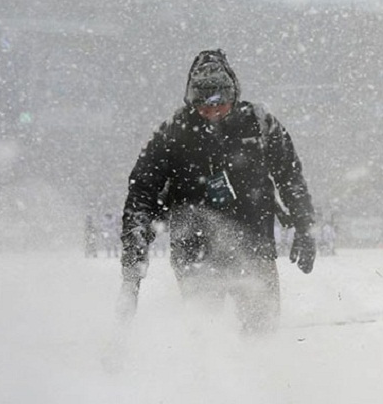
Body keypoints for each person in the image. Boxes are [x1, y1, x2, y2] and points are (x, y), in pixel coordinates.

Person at [117, 49, 316, 333]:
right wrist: (134, 256)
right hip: (194, 253)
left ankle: (262, 373)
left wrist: (305, 226)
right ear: (191, 101)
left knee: (262, 331)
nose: (212, 112)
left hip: (254, 247)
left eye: (220, 103)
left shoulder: (260, 124)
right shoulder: (172, 134)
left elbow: (290, 176)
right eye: (203, 105)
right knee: (204, 336)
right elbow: (141, 195)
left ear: (233, 95)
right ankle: (208, 375)